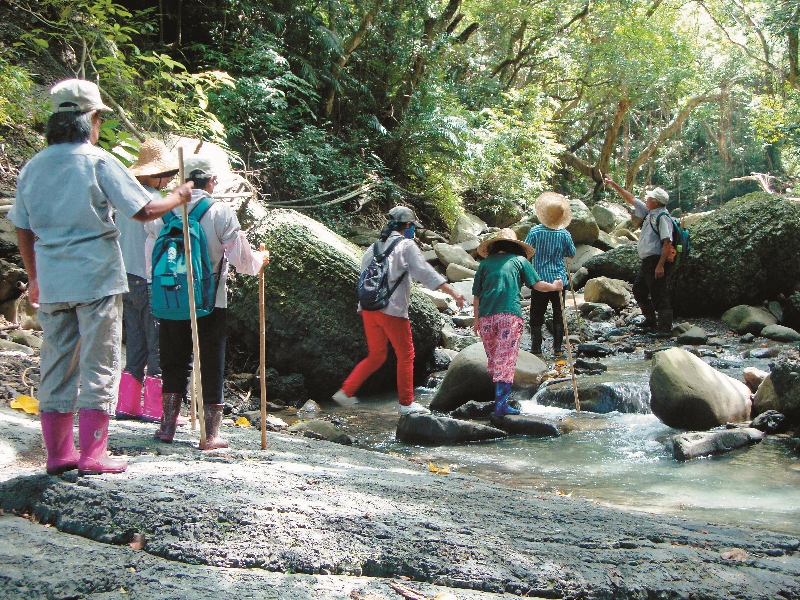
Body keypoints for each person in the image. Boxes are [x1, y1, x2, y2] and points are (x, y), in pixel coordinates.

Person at [10, 79, 193, 476]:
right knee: (101, 361)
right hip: (96, 278)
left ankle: (59, 454)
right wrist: (178, 197)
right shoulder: (98, 160)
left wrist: (34, 277)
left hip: (54, 281)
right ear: (91, 120)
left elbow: (22, 228)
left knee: (57, 362)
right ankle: (94, 454)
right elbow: (143, 210)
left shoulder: (33, 167)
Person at [146, 153, 269, 449]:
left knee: (173, 361)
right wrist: (260, 260)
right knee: (211, 362)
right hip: (211, 300)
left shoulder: (164, 210)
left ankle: (167, 428)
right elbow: (242, 260)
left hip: (171, 297)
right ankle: (211, 435)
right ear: (211, 181)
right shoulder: (220, 212)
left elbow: (153, 252)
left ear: (183, 181)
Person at [333, 206, 465, 415]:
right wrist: (453, 291)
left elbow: (364, 276)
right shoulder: (406, 245)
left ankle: (346, 391)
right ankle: (406, 403)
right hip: (392, 309)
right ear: (409, 226)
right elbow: (425, 273)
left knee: (376, 355)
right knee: (406, 355)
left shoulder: (374, 247)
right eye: (413, 227)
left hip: (368, 308)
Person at [115, 139, 179, 423]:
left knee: (135, 343)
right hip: (152, 281)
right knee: (158, 345)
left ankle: (127, 404)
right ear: (158, 174)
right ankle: (156, 408)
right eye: (169, 174)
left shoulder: (123, 201)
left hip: (126, 278)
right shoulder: (158, 204)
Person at [472, 229, 564, 417]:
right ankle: (501, 405)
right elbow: (537, 285)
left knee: (494, 359)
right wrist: (555, 287)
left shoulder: (485, 264)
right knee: (506, 360)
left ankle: (499, 400)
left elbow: (476, 296)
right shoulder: (520, 261)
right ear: (515, 246)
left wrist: (476, 321)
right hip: (509, 316)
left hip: (486, 318)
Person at [603, 175, 674, 334]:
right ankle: (650, 321)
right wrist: (613, 184)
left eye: (649, 197)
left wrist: (660, 265)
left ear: (655, 201)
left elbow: (667, 243)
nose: (646, 199)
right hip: (647, 261)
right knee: (639, 289)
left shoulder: (663, 217)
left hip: (656, 260)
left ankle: (664, 329)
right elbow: (630, 198)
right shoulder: (649, 212)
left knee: (659, 293)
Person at [524, 192, 576, 358]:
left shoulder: (535, 232)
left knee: (536, 316)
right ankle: (558, 348)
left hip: (539, 280)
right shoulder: (565, 234)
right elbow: (572, 253)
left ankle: (536, 349)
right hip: (560, 279)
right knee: (558, 315)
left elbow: (526, 253)